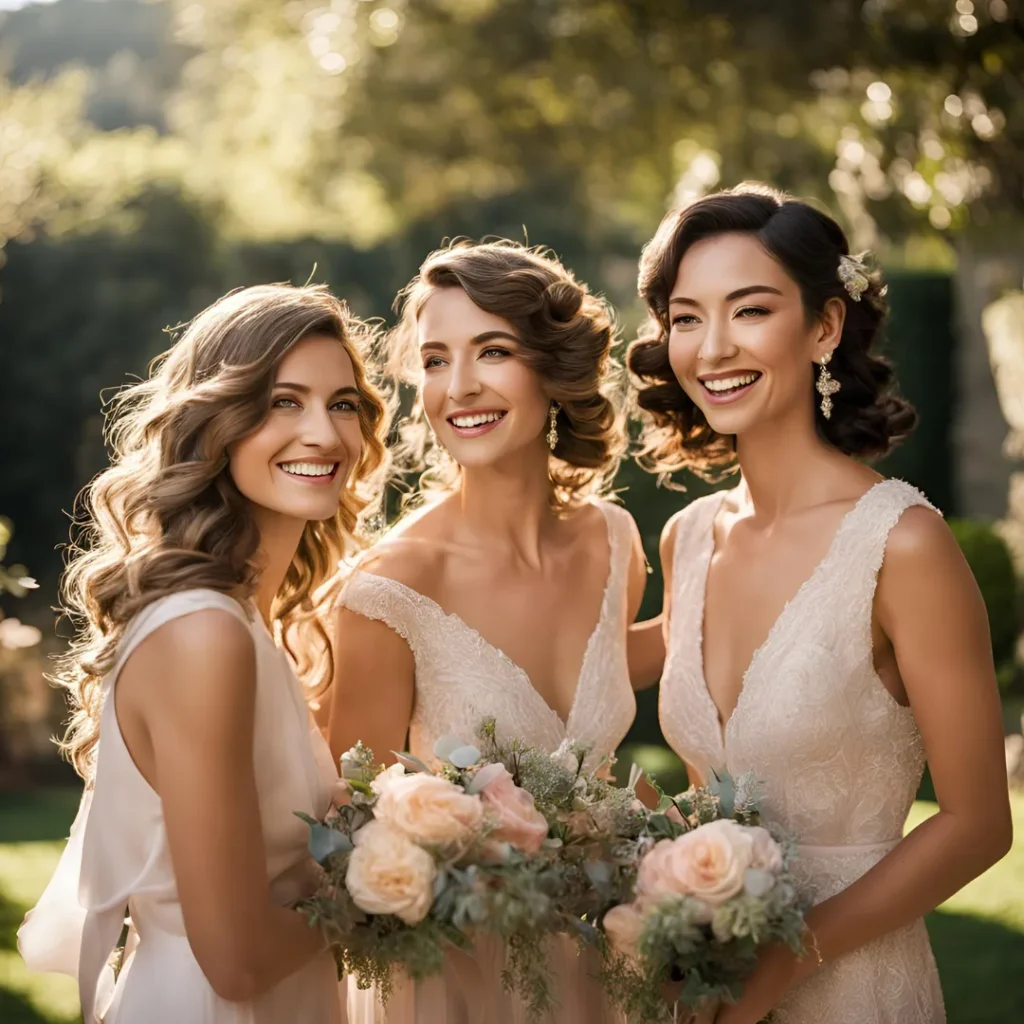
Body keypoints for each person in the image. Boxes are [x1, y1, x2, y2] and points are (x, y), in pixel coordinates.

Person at [628, 184, 1012, 1024]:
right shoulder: (688, 539)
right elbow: (708, 803)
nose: (712, 347)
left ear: (826, 327)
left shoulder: (902, 544)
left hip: (858, 990)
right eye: (686, 318)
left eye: (750, 310)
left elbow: (980, 824)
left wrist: (781, 965)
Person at [19, 284, 389, 1024]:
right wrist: (403, 878)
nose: (322, 432)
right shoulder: (203, 634)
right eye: (284, 402)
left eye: (342, 403)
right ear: (215, 421)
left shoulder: (246, 622)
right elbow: (237, 957)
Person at [326, 240, 647, 1024]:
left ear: (553, 368)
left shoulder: (614, 541)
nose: (458, 386)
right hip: (449, 982)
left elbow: (627, 665)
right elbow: (346, 837)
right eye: (435, 361)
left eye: (492, 351)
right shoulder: (389, 590)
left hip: (601, 972)